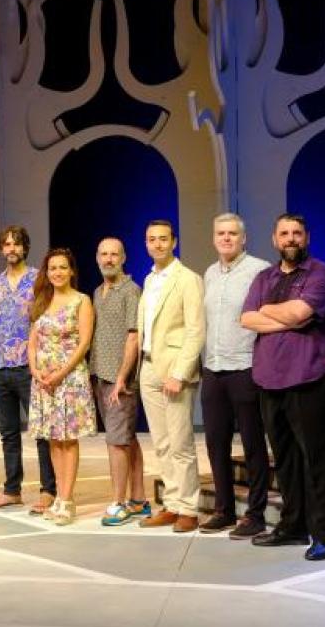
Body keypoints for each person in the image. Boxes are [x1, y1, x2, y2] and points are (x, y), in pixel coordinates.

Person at [241, 213, 325, 561]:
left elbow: (300, 314)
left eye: (297, 233)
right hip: (269, 379)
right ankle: (292, 526)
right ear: (274, 240)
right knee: (284, 460)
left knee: (317, 460)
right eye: (284, 233)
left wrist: (268, 310)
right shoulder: (263, 277)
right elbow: (246, 318)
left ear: (307, 237)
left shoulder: (321, 274)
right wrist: (281, 315)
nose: (291, 239)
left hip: (309, 377)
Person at [200, 214, 271, 537]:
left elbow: (266, 318)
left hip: (245, 366)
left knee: (254, 444)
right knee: (216, 442)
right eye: (221, 233)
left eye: (232, 233)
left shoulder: (259, 270)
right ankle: (224, 510)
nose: (226, 238)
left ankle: (255, 514)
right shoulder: (210, 273)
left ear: (243, 238)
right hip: (213, 368)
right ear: (214, 238)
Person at [0, 225, 57, 510]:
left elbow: (46, 322)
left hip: (29, 367)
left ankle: (49, 490)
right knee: (8, 433)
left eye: (16, 244)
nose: (11, 249)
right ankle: (12, 489)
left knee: (40, 431)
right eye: (6, 244)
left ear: (25, 248)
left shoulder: (38, 279)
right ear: (1, 249)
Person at [136, 220, 206, 533]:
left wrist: (180, 372)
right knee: (162, 443)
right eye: (152, 240)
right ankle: (173, 503)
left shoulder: (188, 279)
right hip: (148, 366)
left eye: (163, 239)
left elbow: (196, 330)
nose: (157, 245)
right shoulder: (150, 279)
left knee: (180, 443)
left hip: (174, 369)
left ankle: (189, 509)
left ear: (173, 242)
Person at [27, 248, 97, 525]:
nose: (57, 272)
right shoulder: (42, 301)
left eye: (62, 267)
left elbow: (84, 344)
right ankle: (58, 496)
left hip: (69, 379)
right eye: (52, 268)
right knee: (54, 439)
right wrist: (35, 370)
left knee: (68, 439)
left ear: (71, 271)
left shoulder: (82, 300)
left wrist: (60, 373)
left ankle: (68, 500)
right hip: (44, 381)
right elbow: (32, 342)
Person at [89, 237, 149, 527]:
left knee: (116, 442)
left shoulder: (131, 291)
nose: (109, 259)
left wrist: (122, 378)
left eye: (114, 254)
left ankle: (119, 502)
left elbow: (133, 336)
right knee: (126, 439)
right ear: (97, 258)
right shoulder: (99, 292)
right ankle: (138, 499)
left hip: (119, 381)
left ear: (124, 257)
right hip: (101, 376)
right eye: (104, 254)